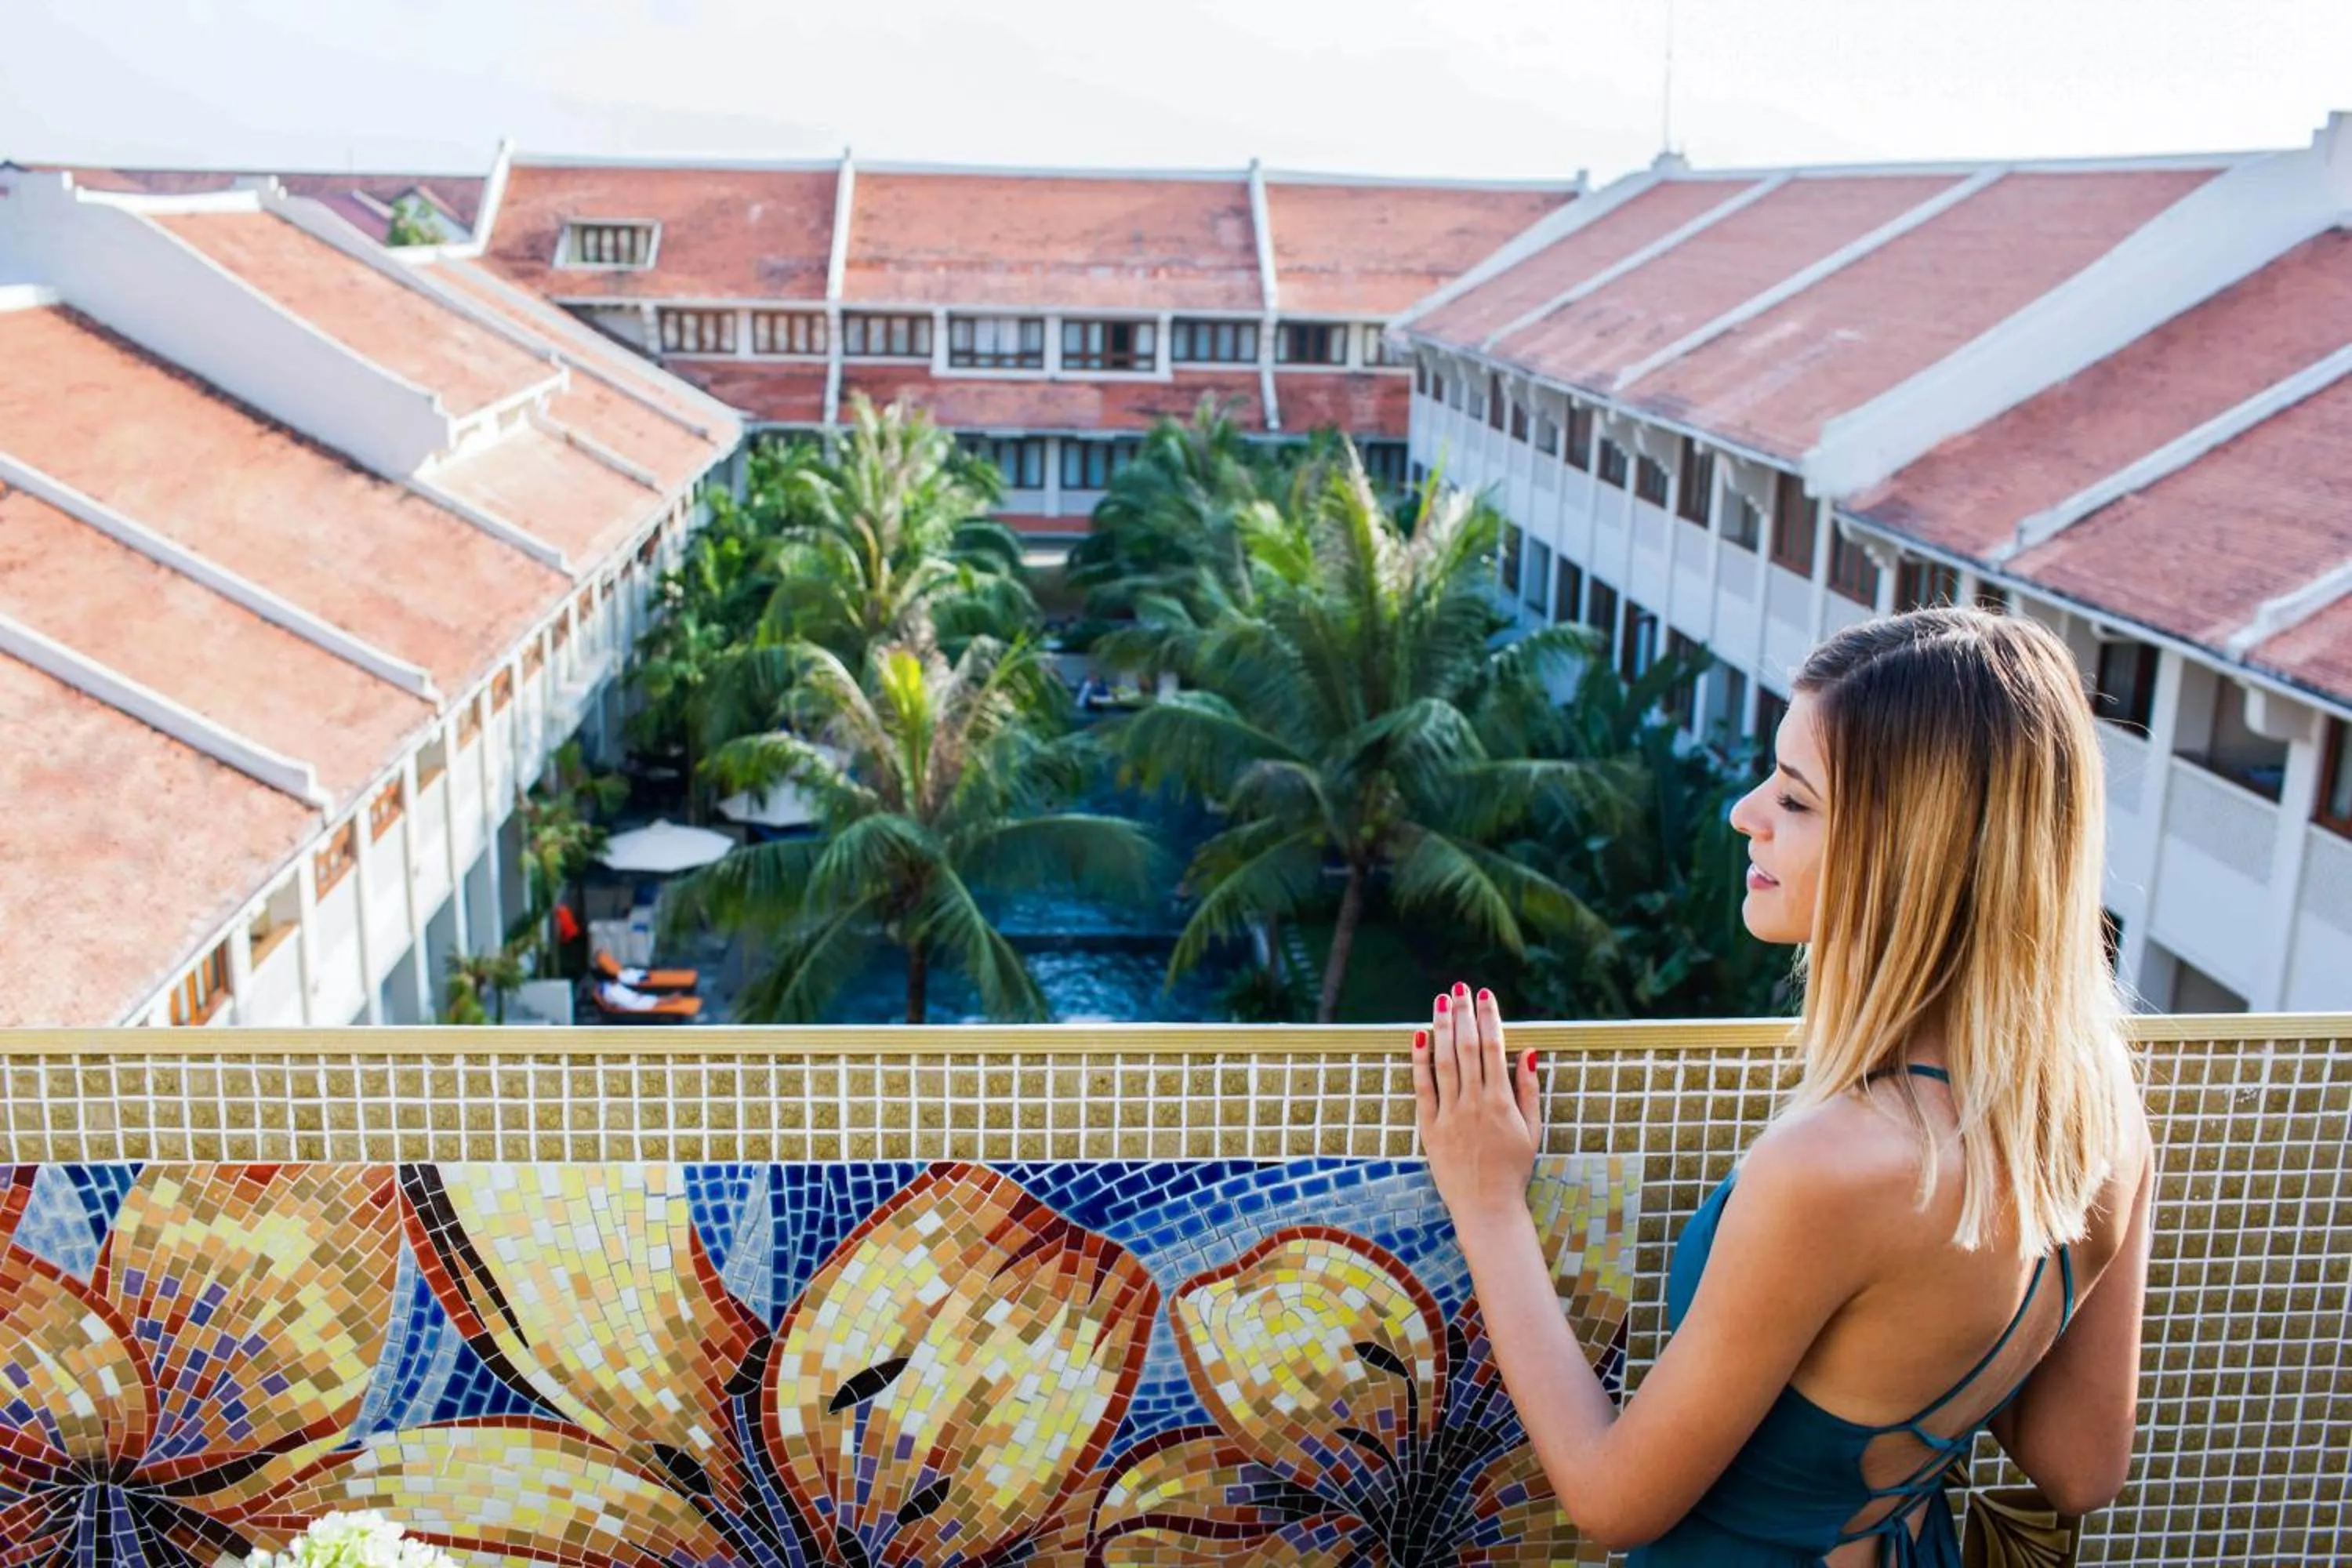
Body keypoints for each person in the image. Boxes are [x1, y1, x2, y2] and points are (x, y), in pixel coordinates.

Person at [1413, 608, 2154, 1566]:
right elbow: (2080, 1465)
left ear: (1911, 854)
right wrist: (1939, 1345)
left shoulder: (1836, 1166)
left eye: (1796, 800)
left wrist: (1486, 1200)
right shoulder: (2099, 1115)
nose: (1744, 812)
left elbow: (1611, 1498)